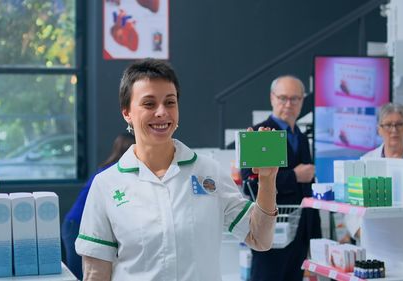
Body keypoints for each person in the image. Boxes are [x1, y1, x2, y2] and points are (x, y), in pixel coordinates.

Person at [76, 58, 279, 281]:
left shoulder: (208, 172)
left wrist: (267, 180)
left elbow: (260, 238)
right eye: (149, 104)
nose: (162, 112)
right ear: (127, 113)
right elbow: (96, 273)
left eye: (170, 102)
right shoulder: (107, 184)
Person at [241, 75, 322, 281]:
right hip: (271, 230)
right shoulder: (261, 133)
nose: (289, 104)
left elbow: (308, 188)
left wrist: (314, 237)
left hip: (300, 233)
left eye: (295, 99)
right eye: (283, 97)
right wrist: (295, 176)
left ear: (302, 101)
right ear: (272, 98)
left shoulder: (302, 137)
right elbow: (250, 180)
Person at [62, 133, 135, 280]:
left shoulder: (109, 170)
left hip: (74, 223)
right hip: (77, 225)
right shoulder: (112, 175)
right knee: (78, 274)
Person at [345, 102, 403, 239]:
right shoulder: (365, 163)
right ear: (379, 129)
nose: (394, 130)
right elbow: (351, 208)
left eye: (399, 124)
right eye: (388, 125)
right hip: (374, 241)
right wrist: (364, 235)